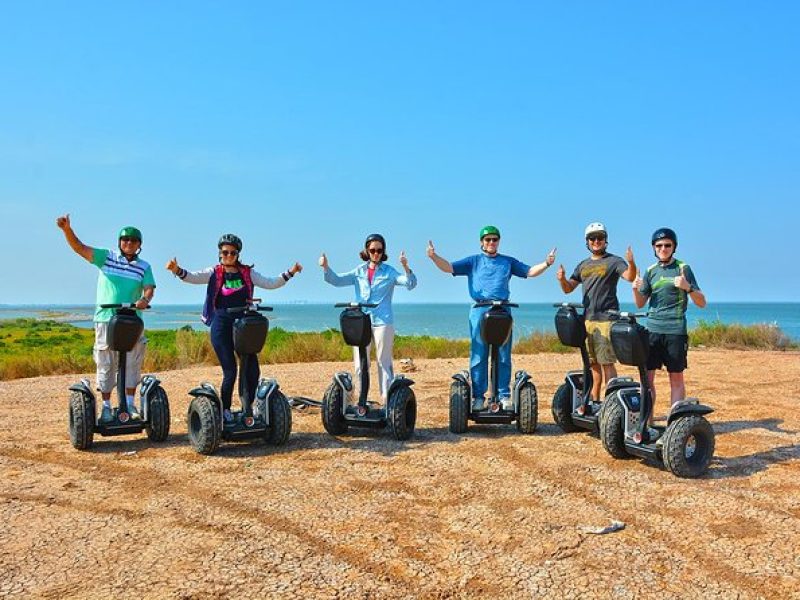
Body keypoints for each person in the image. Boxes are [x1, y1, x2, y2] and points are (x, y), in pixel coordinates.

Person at [167, 234, 302, 422]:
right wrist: (177, 270)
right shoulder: (214, 272)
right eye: (225, 252)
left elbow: (271, 283)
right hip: (221, 325)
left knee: (252, 369)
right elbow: (192, 277)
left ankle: (249, 407)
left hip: (243, 327)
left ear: (238, 254)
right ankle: (226, 410)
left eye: (232, 252)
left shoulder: (247, 273)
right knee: (230, 370)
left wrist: (291, 272)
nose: (228, 256)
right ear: (220, 253)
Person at [428, 226, 555, 411]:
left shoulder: (507, 262)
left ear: (498, 241)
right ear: (482, 242)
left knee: (503, 355)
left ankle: (503, 395)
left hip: (502, 309)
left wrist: (547, 263)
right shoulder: (473, 261)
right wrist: (434, 257)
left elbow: (529, 272)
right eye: (487, 240)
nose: (491, 243)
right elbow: (448, 268)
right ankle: (479, 397)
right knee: (479, 354)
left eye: (494, 239)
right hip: (480, 308)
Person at [56, 214, 155, 422]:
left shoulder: (144, 266)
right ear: (120, 242)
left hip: (132, 320)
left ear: (139, 245)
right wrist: (67, 230)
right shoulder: (106, 257)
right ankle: (107, 407)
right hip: (105, 318)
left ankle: (130, 404)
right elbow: (80, 248)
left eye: (133, 241)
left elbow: (148, 288)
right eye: (125, 239)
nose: (128, 243)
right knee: (105, 361)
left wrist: (145, 300)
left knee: (132, 361)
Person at [319, 233, 417, 402]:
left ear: (383, 251)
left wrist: (406, 268)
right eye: (372, 250)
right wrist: (325, 267)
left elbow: (410, 283)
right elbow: (336, 280)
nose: (376, 253)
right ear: (367, 251)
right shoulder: (359, 271)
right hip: (361, 321)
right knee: (360, 363)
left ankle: (387, 401)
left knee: (383, 361)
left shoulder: (389, 272)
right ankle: (360, 400)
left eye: (379, 250)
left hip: (382, 321)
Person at [556, 222, 636, 402]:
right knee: (592, 364)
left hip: (607, 319)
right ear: (587, 242)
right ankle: (594, 401)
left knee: (607, 362)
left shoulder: (614, 261)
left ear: (605, 240)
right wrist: (561, 279)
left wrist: (631, 262)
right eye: (592, 238)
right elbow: (569, 288)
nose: (596, 241)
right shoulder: (583, 265)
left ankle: (613, 403)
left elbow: (630, 277)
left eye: (600, 238)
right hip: (588, 320)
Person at [632, 227, 706, 418]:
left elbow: (702, 302)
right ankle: (646, 422)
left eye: (667, 245)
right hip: (653, 331)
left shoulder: (683, 268)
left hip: (675, 331)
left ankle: (675, 424)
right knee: (646, 380)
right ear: (653, 248)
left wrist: (687, 287)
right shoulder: (650, 271)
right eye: (659, 245)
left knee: (676, 378)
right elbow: (641, 303)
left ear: (674, 247)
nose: (663, 249)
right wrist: (635, 288)